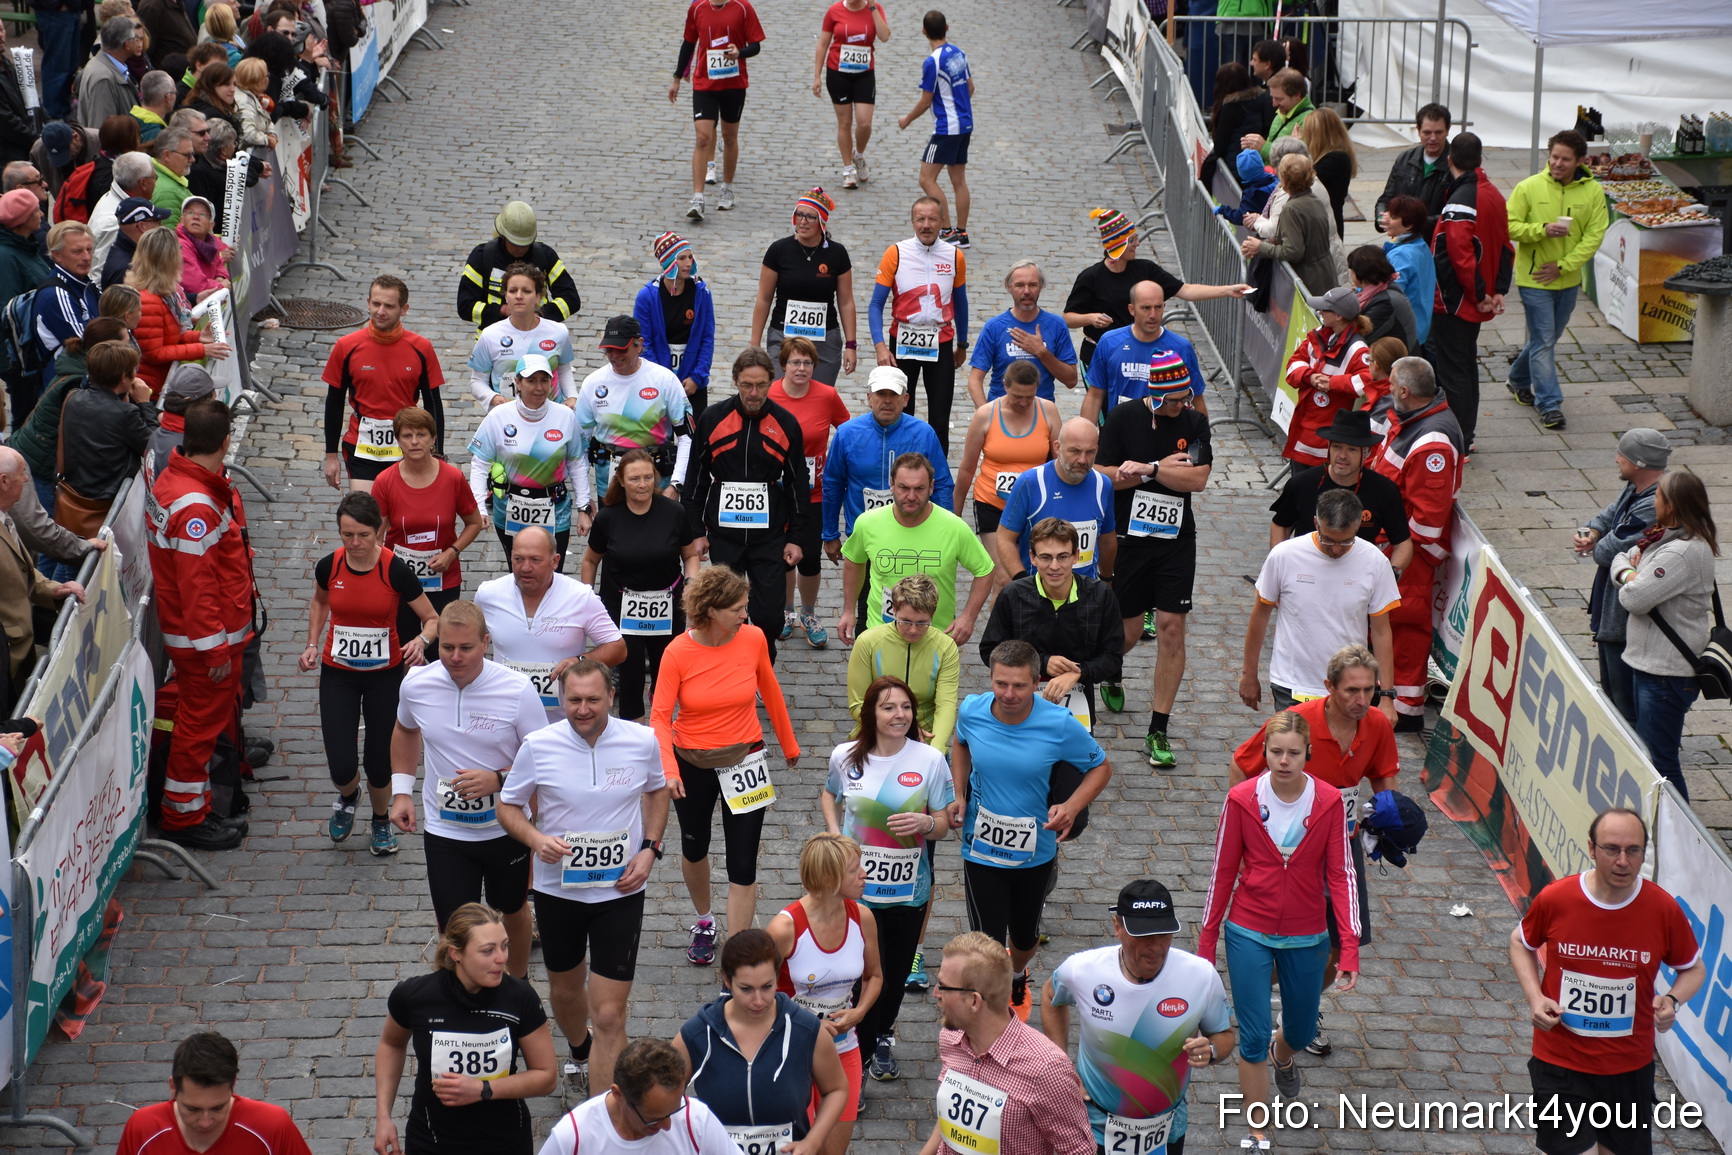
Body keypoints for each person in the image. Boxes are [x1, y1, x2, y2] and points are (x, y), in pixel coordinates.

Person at [499, 659, 670, 1100]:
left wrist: (650, 849)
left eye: (593, 699)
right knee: (566, 992)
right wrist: (536, 840)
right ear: (561, 699)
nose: (583, 708)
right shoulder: (539, 745)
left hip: (621, 890)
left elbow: (655, 790)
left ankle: (604, 1116)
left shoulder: (642, 740)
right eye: (573, 700)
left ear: (612, 696)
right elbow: (508, 807)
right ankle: (579, 1047)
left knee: (610, 1014)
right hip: (560, 891)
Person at [1199, 711, 1358, 1137]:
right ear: (1265, 753)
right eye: (1275, 752)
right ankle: (1258, 1134)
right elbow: (1222, 871)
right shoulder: (1242, 799)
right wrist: (1206, 943)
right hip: (1247, 929)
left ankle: (1282, 1051)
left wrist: (1350, 945)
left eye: (1292, 752)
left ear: (1308, 753)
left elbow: (1341, 875)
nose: (1283, 760)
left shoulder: (1328, 801)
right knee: (1249, 1038)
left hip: (1308, 935)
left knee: (1302, 1029)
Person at [1231, 644, 1396, 1055]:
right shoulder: (1296, 724)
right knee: (1277, 939)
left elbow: (1383, 780)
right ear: (1328, 688)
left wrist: (1390, 818)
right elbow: (1241, 767)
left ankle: (1300, 1008)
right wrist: (1253, 830)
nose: (1361, 700)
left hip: (1343, 845)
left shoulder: (1376, 725)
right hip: (1289, 851)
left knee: (1342, 943)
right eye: (1351, 691)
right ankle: (1253, 984)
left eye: (1369, 690)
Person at [1510, 809, 1705, 1155]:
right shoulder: (1559, 898)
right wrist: (1535, 997)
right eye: (1611, 849)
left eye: (1633, 851)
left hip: (1628, 1067)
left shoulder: (1661, 909)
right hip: (1561, 1061)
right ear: (1591, 848)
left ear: (1645, 853)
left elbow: (1693, 969)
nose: (1622, 861)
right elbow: (1520, 942)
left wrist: (1673, 1000)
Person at [948, 640, 1111, 1017]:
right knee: (986, 941)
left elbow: (1101, 768)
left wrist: (1071, 807)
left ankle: (1018, 972)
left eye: (1019, 686)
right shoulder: (972, 710)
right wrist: (959, 791)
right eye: (1001, 684)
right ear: (990, 678)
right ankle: (989, 1016)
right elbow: (960, 743)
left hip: (1034, 850)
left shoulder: (1057, 724)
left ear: (1036, 682)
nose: (1009, 694)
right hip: (981, 845)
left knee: (1023, 936)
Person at [651, 566, 800, 964]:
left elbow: (770, 689)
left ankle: (738, 953)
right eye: (737, 608)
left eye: (745, 607)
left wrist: (788, 743)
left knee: (743, 860)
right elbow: (660, 717)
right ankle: (703, 921)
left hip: (745, 760)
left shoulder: (752, 639)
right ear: (711, 611)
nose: (745, 615)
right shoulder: (677, 653)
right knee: (695, 846)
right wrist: (668, 770)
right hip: (691, 763)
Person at [389, 601, 544, 977]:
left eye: (466, 648)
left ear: (486, 643)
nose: (455, 657)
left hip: (505, 828)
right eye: (446, 647)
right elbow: (406, 730)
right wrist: (402, 791)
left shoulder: (516, 690)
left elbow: (543, 757)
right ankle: (458, 996)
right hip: (446, 830)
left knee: (512, 912)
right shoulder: (416, 684)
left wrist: (500, 779)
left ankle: (517, 986)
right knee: (454, 926)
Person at [1042, 880, 1235, 1155]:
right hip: (1095, 1126)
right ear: (1117, 928)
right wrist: (1061, 1066)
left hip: (1166, 1130)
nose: (1155, 947)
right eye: (1144, 935)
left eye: (1164, 934)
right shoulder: (1083, 970)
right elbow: (1051, 995)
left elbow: (1225, 1035)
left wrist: (1212, 1050)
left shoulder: (1200, 976)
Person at [825, 675, 954, 1075]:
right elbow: (830, 794)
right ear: (871, 713)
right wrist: (835, 834)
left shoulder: (930, 759)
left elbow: (945, 822)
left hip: (906, 893)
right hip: (856, 893)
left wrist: (925, 823)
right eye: (888, 707)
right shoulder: (845, 756)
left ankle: (882, 1033)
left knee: (894, 976)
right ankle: (855, 1059)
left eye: (905, 707)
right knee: (859, 974)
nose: (900, 715)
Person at [300, 491, 437, 855]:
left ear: (380, 531)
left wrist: (421, 641)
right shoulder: (330, 566)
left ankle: (379, 819)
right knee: (341, 764)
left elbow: (432, 618)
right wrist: (313, 642)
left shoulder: (394, 569)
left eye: (363, 534)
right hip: (338, 673)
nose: (355, 543)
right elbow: (319, 601)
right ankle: (348, 796)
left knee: (379, 764)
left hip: (385, 677)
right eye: (347, 535)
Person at [144, 398, 251, 850]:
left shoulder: (177, 480)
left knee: (199, 722)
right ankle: (184, 818)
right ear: (225, 442)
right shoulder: (195, 506)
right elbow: (198, 589)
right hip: (206, 642)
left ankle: (199, 801)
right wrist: (215, 652)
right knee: (197, 728)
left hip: (197, 635)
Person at [1094, 368, 1212, 765]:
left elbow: (1197, 479)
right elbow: (1105, 477)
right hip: (1130, 538)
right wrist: (1154, 466)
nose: (1181, 406)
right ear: (1155, 394)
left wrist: (1151, 469)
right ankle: (1111, 669)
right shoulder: (1123, 416)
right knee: (1127, 631)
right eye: (1173, 400)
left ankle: (1157, 730)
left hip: (1177, 541)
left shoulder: (1194, 421)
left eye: (1185, 398)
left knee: (1171, 628)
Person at [373, 903, 557, 1155]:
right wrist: (383, 1117)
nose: (501, 958)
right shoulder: (414, 996)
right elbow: (391, 1044)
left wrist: (483, 1089)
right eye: (487, 950)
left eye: (504, 945)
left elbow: (546, 1076)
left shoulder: (519, 997)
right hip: (431, 1140)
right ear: (456, 953)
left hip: (504, 1142)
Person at [682, 346, 809, 661]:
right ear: (736, 381)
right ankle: (734, 666)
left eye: (761, 385)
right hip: (724, 533)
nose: (754, 393)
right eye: (747, 385)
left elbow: (797, 484)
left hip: (769, 535)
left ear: (771, 382)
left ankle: (762, 663)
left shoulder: (786, 424)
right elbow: (696, 477)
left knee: (769, 616)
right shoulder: (713, 418)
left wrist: (796, 537)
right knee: (726, 609)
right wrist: (696, 531)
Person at [917, 931, 1094, 1155]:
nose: (935, 993)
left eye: (943, 986)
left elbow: (1079, 1150)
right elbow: (952, 1116)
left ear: (974, 1001)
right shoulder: (952, 1038)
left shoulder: (1046, 1070)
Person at [675, 928, 850, 1155]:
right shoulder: (698, 1034)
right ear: (727, 980)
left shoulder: (806, 1030)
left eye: (767, 987)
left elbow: (836, 1089)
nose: (759, 1001)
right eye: (746, 989)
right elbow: (663, 1095)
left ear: (777, 976)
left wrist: (813, 1141)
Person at [1367, 357, 1465, 729]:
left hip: (1409, 553)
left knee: (1402, 622)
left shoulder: (1432, 441)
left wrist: (1392, 551)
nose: (1388, 390)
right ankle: (1387, 692)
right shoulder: (1414, 421)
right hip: (1395, 544)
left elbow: (1426, 518)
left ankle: (1406, 709)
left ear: (1404, 391)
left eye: (1391, 385)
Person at [1241, 489, 1398, 716]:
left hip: (1349, 687)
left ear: (1357, 527)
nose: (1335, 549)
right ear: (1316, 522)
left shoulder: (1375, 562)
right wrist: (1249, 674)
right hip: (1292, 683)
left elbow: (1382, 631)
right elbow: (1260, 616)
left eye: (1345, 542)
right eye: (1328, 540)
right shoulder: (1284, 556)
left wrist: (1387, 696)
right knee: (1295, 750)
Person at [1613, 470, 1719, 800]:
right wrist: (1632, 570)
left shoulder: (1680, 553)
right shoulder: (1669, 539)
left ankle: (1681, 836)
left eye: (1658, 497)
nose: (1653, 501)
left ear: (1671, 507)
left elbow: (1635, 597)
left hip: (1664, 675)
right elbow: (1628, 558)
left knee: (1660, 763)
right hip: (1652, 666)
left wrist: (1627, 572)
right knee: (1652, 756)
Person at [581, 450, 703, 723]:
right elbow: (590, 560)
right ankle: (633, 733)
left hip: (668, 605)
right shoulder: (608, 517)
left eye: (648, 477)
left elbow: (690, 556)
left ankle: (662, 724)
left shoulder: (674, 512)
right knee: (630, 672)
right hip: (622, 606)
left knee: (667, 669)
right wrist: (586, 598)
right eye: (635, 478)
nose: (642, 484)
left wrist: (691, 585)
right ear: (621, 481)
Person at [768, 833, 883, 1120]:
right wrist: (805, 1025)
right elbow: (754, 997)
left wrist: (859, 1012)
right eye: (855, 869)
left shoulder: (863, 917)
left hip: (844, 1049)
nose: (864, 873)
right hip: (792, 1053)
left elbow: (874, 976)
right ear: (830, 878)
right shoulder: (785, 929)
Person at [1506, 129, 1609, 431]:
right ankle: (1549, 404)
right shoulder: (1528, 188)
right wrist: (1541, 229)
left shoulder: (1592, 192)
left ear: (1579, 161)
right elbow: (1509, 226)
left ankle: (1517, 378)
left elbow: (1594, 236)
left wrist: (1563, 266)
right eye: (1554, 157)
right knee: (1544, 340)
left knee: (1546, 339)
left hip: (1567, 280)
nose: (1557, 164)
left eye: (1565, 159)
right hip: (1534, 279)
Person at [978, 517, 1123, 732]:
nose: (1054, 567)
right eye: (1046, 557)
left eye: (1062, 557)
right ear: (1032, 557)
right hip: (1019, 700)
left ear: (1076, 556)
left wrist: (1079, 672)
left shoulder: (1100, 596)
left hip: (1078, 701)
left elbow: (1112, 656)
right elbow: (990, 649)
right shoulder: (1013, 595)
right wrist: (1042, 663)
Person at [1062, 208, 1246, 372]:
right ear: (1118, 244)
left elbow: (1186, 291)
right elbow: (1068, 318)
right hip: (1099, 356)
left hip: (1137, 355)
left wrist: (1228, 290)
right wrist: (1090, 318)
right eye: (1132, 240)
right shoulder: (1090, 277)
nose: (1138, 243)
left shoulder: (1146, 269)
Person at [839, 451, 994, 644]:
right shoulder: (868, 523)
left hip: (936, 638)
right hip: (881, 634)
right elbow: (854, 560)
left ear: (931, 488)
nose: (911, 496)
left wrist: (968, 617)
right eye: (904, 488)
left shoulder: (954, 528)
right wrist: (848, 610)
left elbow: (985, 570)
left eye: (919, 489)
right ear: (892, 485)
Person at [478, 524, 626, 723]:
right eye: (518, 559)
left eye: (535, 560)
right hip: (505, 716)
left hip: (562, 721)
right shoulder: (488, 595)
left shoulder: (580, 597)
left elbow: (618, 648)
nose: (525, 567)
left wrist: (581, 661)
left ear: (555, 561)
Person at [822, 367, 955, 580]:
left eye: (894, 394)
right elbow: (833, 484)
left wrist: (948, 532)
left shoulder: (924, 433)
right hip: (866, 537)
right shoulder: (847, 434)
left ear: (906, 399)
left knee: (917, 603)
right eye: (881, 394)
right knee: (867, 605)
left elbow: (941, 485)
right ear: (869, 398)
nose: (887, 400)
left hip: (915, 535)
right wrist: (829, 534)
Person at [372, 406, 484, 649]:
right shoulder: (385, 482)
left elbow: (474, 523)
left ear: (433, 439)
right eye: (407, 436)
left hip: (443, 577)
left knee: (440, 648)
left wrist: (451, 552)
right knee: (403, 647)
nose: (414, 442)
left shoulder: (452, 478)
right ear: (398, 441)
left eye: (421, 435)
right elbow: (375, 537)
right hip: (400, 580)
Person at [1577, 428, 1668, 725]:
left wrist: (1598, 543)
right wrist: (1593, 531)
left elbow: (1608, 552)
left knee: (1624, 703)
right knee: (1613, 694)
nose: (1617, 459)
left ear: (1639, 463)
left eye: (1622, 455)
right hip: (1611, 614)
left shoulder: (1652, 505)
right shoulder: (1634, 488)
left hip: (1623, 621)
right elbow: (1609, 514)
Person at [466, 354, 593, 566]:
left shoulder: (565, 416)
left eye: (544, 380)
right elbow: (480, 463)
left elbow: (577, 462)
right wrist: (479, 507)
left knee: (553, 571)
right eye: (531, 381)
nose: (539, 387)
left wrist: (583, 508)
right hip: (509, 506)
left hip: (555, 507)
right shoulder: (498, 416)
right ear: (518, 382)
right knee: (518, 571)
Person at [323, 275, 445, 494]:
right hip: (362, 447)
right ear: (368, 302)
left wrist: (438, 453)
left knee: (403, 519)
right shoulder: (346, 346)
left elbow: (433, 403)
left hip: (408, 446)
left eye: (389, 306)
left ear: (403, 309)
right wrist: (330, 455)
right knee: (367, 516)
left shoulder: (421, 348)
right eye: (376, 304)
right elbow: (334, 402)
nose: (380, 311)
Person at [1429, 131, 1511, 448]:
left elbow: (1459, 258)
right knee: (1465, 366)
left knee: (1453, 372)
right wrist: (1498, 290)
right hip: (1474, 299)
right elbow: (1506, 246)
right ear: (1480, 159)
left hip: (1455, 303)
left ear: (1450, 160)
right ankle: (1467, 434)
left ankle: (1459, 439)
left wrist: (1479, 295)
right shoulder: (1493, 194)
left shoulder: (1460, 202)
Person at [769, 336, 850, 647]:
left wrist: (841, 468)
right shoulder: (771, 394)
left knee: (811, 558)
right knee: (784, 556)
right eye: (795, 362)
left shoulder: (827, 395)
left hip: (815, 491)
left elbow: (847, 432)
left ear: (815, 366)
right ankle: (787, 611)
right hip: (779, 489)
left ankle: (809, 612)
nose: (801, 368)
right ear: (784, 365)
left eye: (807, 363)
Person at [869, 196, 968, 451]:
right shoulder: (896, 253)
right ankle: (898, 473)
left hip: (941, 343)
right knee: (900, 414)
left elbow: (961, 302)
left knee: (939, 417)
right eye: (920, 219)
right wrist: (880, 346)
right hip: (901, 342)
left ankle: (937, 482)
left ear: (942, 222)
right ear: (913, 221)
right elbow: (875, 304)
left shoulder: (954, 256)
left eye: (932, 219)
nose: (926, 225)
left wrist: (963, 344)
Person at [116, 1031, 313, 1155]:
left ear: (233, 1084)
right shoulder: (143, 1129)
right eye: (192, 1109)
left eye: (218, 1107)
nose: (205, 1122)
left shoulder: (272, 1126)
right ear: (173, 1087)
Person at [953, 361, 1060, 588]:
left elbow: (1059, 463)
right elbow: (966, 468)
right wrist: (955, 516)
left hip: (1034, 505)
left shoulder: (1048, 411)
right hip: (992, 504)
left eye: (1029, 397)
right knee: (1003, 578)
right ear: (1005, 386)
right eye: (1016, 396)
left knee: (1036, 576)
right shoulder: (985, 415)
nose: (1022, 403)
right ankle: (1001, 624)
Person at [1269, 409, 1412, 575]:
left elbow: (1403, 543)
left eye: (1351, 449)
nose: (1342, 455)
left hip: (1357, 578)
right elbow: (1281, 525)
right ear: (1329, 448)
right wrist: (1279, 565)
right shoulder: (1301, 483)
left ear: (1365, 453)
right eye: (1337, 447)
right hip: (1305, 574)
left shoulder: (1384, 490)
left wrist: (1392, 574)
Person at [536, 1039, 740, 1155]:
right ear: (618, 1094)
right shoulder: (572, 1137)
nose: (668, 1126)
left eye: (674, 1109)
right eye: (653, 1117)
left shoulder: (696, 1120)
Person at [0, 448, 85, 714]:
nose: (27, 480)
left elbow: (21, 569)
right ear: (3, 481)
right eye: (22, 473)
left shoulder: (5, 518)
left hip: (16, 653)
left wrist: (53, 588)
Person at [749, 188, 859, 387]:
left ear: (822, 222)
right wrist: (754, 344)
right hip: (784, 335)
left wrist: (851, 345)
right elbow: (764, 299)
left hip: (824, 340)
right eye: (799, 215)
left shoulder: (837, 253)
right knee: (779, 399)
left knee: (818, 399)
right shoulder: (778, 251)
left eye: (810, 217)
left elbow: (846, 302)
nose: (803, 221)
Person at [669, 0, 765, 221]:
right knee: (703, 137)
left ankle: (727, 189)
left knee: (729, 138)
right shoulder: (697, 8)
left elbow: (756, 45)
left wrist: (739, 52)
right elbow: (688, 42)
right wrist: (676, 80)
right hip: (705, 84)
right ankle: (698, 197)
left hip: (734, 85)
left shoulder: (743, 8)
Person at [575, 314, 693, 493]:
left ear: (639, 345)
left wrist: (676, 484)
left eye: (621, 349)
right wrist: (584, 498)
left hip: (656, 481)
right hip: (609, 484)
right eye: (608, 350)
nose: (614, 356)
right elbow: (579, 444)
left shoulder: (665, 380)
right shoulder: (593, 383)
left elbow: (687, 437)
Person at [845, 574, 960, 756]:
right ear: (894, 610)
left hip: (926, 738)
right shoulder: (867, 642)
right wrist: (906, 728)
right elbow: (857, 705)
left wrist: (936, 750)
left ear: (933, 615)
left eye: (922, 623)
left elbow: (946, 705)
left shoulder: (946, 647)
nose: (913, 630)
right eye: (905, 621)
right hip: (876, 734)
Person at [996, 417, 1116, 580]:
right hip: (1039, 591)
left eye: (1090, 452)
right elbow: (1004, 538)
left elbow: (1107, 539)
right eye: (1074, 451)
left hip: (1085, 592)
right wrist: (1023, 584)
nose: (1082, 460)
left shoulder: (1103, 485)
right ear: (1058, 448)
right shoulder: (1031, 482)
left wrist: (1107, 580)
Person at [54, 337, 156, 524]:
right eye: (134, 370)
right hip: (107, 503)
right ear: (124, 377)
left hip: (75, 492)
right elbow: (154, 445)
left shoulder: (74, 397)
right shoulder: (126, 413)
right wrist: (144, 403)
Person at [895, 10, 972, 248]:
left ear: (924, 32)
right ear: (947, 28)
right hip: (965, 124)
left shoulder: (932, 62)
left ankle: (946, 230)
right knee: (959, 181)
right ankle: (962, 233)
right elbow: (970, 88)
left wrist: (907, 119)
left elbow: (926, 100)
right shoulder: (959, 53)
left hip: (946, 129)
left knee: (926, 178)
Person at [1080, 281, 1207, 422]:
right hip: (1120, 434)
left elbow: (1196, 397)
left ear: (1164, 307)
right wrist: (1087, 436)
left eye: (1158, 307)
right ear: (1132, 309)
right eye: (1146, 308)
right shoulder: (1109, 342)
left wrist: (1202, 441)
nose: (1153, 315)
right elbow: (1094, 396)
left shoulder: (1181, 348)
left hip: (1165, 436)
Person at [128, 227, 231, 396]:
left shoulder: (164, 294)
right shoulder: (148, 300)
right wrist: (202, 350)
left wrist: (198, 337)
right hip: (148, 389)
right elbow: (155, 353)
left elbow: (168, 337)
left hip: (155, 382)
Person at [1279, 285, 1374, 466]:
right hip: (1305, 430)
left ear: (1338, 316)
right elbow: (1292, 366)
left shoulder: (1358, 350)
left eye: (1325, 308)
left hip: (1327, 438)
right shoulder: (1317, 336)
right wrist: (1310, 376)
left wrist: (1332, 383)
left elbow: (1366, 381)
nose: (1320, 311)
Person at [466, 262, 577, 408]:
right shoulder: (490, 335)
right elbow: (477, 381)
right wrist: (493, 397)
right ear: (505, 296)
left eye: (526, 291)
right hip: (508, 418)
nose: (519, 296)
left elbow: (564, 370)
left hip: (550, 415)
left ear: (538, 296)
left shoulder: (558, 332)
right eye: (512, 291)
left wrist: (573, 396)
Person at [966, 261, 1077, 405]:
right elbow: (975, 380)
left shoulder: (1056, 325)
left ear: (1041, 287)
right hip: (1002, 412)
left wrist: (1042, 352)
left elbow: (1071, 380)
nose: (1026, 291)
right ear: (1009, 287)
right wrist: (988, 415)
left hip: (1041, 412)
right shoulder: (994, 327)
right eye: (1020, 285)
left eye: (1032, 285)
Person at [457, 200, 580, 330]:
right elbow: (465, 306)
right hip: (495, 341)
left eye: (526, 244)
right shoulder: (482, 256)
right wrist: (503, 310)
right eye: (515, 244)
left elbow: (571, 299)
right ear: (503, 237)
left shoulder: (544, 255)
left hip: (538, 338)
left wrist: (539, 314)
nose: (521, 249)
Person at [634, 231, 716, 411]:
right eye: (682, 258)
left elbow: (707, 338)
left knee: (695, 437)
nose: (689, 263)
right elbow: (643, 343)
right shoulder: (646, 297)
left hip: (692, 383)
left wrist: (697, 377)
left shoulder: (702, 293)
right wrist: (663, 380)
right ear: (669, 262)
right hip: (657, 383)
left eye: (690, 257)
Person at [814, 0, 891, 190]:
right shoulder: (834, 11)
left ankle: (859, 156)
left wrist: (872, 7)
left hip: (864, 74)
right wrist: (816, 76)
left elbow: (884, 36)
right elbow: (823, 44)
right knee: (845, 122)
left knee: (865, 123)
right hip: (838, 72)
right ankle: (848, 169)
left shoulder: (875, 8)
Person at [1241, 153, 1337, 295]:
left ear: (1284, 179)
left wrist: (1261, 247)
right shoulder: (1314, 200)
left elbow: (1292, 252)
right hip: (1326, 274)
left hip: (1309, 282)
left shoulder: (1291, 209)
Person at [0, 187, 50, 422]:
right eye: (35, 211)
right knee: (25, 416)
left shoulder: (25, 246)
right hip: (20, 358)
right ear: (22, 220)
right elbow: (8, 312)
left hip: (32, 351)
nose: (41, 214)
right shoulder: (6, 257)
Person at [32, 221, 102, 389]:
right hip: (66, 390)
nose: (86, 257)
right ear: (57, 256)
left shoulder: (86, 285)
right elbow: (86, 346)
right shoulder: (56, 294)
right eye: (77, 251)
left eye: (89, 249)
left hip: (86, 383)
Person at [1374, 103, 1452, 239]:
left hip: (1437, 242)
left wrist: (1412, 223)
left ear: (1448, 130)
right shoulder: (1405, 159)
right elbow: (1386, 199)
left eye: (1439, 132)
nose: (1433, 138)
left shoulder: (1456, 165)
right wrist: (1381, 218)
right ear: (1418, 129)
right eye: (1427, 133)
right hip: (1403, 241)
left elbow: (1454, 213)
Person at [1201, 61, 1273, 189]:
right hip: (1258, 164)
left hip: (1236, 168)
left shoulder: (1230, 107)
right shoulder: (1264, 98)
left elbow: (1221, 144)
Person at [1380, 195, 1436, 350]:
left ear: (1409, 224)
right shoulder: (1420, 245)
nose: (1386, 220)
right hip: (1420, 326)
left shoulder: (1401, 254)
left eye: (1393, 217)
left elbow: (1391, 294)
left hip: (1403, 332)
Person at [91, 150, 158, 273]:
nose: (156, 183)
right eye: (155, 178)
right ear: (143, 183)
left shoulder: (115, 197)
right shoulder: (114, 223)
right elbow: (100, 273)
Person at [1299, 106, 1356, 238]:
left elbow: (1302, 180)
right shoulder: (1332, 156)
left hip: (1325, 229)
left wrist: (1296, 149)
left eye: (1308, 133)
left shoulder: (1335, 159)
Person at [78, 18, 142, 136]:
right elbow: (103, 131)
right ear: (127, 45)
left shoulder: (111, 66)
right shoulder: (103, 79)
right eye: (135, 38)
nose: (138, 42)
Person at [1348, 245, 1415, 351]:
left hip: (1394, 362)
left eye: (1351, 270)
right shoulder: (1383, 289)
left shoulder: (1385, 303)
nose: (1350, 274)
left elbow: (1357, 336)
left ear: (1360, 273)